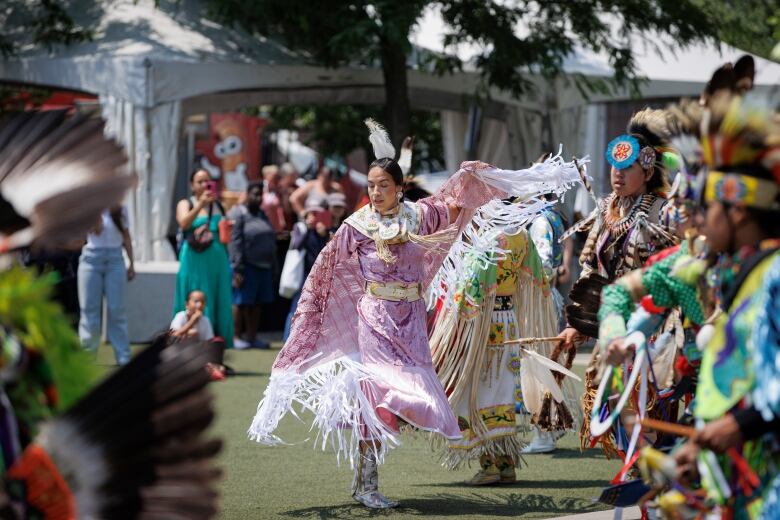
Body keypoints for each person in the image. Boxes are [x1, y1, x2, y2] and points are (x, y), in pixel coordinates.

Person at [248, 118, 585, 509]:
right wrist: (310, 319)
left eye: (383, 186)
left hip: (410, 321)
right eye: (371, 186)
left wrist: (470, 176)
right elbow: (326, 272)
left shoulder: (419, 217)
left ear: (399, 188)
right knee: (377, 395)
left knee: (412, 396)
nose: (375, 192)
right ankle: (367, 484)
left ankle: (370, 477)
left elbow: (454, 204)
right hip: (374, 318)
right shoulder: (355, 227)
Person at [557, 108, 679, 456]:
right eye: (614, 167)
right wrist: (576, 324)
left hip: (652, 326)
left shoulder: (662, 212)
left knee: (649, 408)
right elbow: (591, 272)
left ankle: (654, 479)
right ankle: (644, 476)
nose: (618, 175)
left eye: (627, 169)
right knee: (612, 405)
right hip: (614, 325)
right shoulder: (607, 209)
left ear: (648, 170)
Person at [429, 219, 580, 484]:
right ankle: (506, 464)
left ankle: (490, 466)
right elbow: (538, 277)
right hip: (508, 321)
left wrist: (454, 317)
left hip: (483, 325)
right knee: (501, 392)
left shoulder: (490, 239)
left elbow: (471, 289)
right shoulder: (520, 235)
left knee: (478, 394)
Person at [174, 168, 234, 348]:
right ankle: (189, 343)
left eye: (207, 181)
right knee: (195, 293)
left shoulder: (220, 205)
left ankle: (216, 346)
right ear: (192, 185)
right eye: (199, 181)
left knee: (218, 298)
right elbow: (184, 223)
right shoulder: (186, 203)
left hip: (217, 258)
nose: (204, 185)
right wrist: (200, 204)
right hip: (194, 258)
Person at [77, 205, 135, 365]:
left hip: (115, 258)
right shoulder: (90, 207)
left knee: (117, 309)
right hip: (91, 259)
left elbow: (126, 236)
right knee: (89, 311)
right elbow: (88, 234)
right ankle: (88, 358)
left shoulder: (121, 208)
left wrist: (132, 263)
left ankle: (124, 358)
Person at [229, 181, 277, 349]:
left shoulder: (262, 215)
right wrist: (237, 267)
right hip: (246, 266)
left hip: (264, 266)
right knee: (241, 302)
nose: (257, 198)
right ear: (247, 195)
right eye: (254, 194)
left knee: (257, 303)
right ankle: (235, 336)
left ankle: (252, 337)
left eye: (260, 195)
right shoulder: (240, 214)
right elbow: (235, 241)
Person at [281, 199, 330, 341]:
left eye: (317, 213)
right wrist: (307, 229)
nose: (314, 217)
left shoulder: (323, 230)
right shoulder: (300, 227)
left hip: (318, 274)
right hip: (303, 274)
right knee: (296, 308)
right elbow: (295, 245)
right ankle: (288, 339)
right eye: (312, 213)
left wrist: (324, 234)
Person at [261, 164, 287, 234]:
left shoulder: (276, 189)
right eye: (275, 176)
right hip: (262, 222)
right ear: (266, 175)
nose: (277, 179)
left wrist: (282, 219)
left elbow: (279, 207)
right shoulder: (260, 187)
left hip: (274, 224)